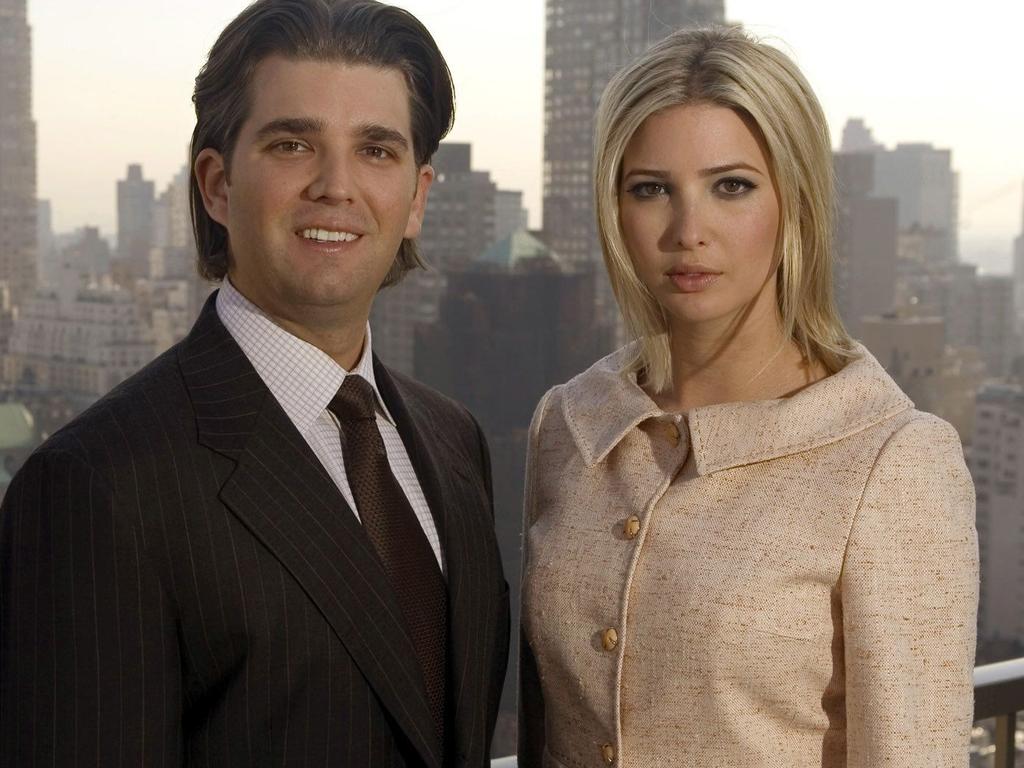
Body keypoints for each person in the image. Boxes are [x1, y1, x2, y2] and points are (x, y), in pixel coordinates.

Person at [0, 1, 509, 765]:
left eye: (376, 150)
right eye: (293, 143)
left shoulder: (452, 439)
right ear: (215, 184)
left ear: (417, 197)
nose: (337, 186)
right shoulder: (95, 486)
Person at [518, 26, 977, 768]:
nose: (687, 231)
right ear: (613, 207)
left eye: (731, 186)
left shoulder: (890, 461)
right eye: (651, 189)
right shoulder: (568, 425)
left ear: (794, 202)